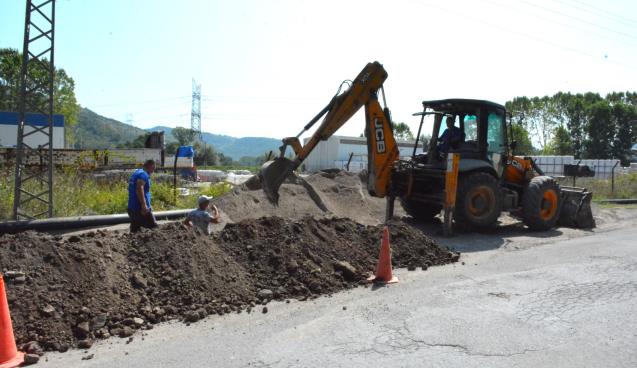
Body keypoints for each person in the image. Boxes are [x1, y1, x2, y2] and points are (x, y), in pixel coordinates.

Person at [127, 159, 158, 232]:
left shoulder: (136, 173)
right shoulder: (143, 174)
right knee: (154, 228)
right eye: (153, 169)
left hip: (131, 208)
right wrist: (144, 205)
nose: (153, 171)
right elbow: (139, 188)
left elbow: (131, 188)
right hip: (140, 209)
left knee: (135, 231)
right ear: (151, 166)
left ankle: (133, 242)